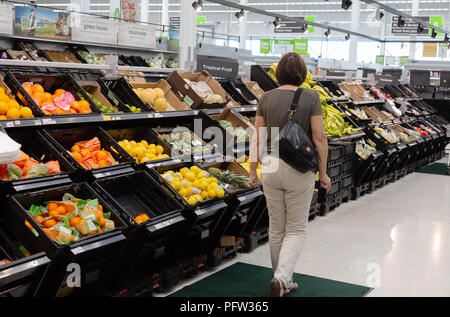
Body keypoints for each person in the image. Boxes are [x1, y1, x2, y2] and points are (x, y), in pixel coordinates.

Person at [248, 52, 331, 297]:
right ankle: (282, 278)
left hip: (270, 166)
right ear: (303, 74)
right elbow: (320, 138)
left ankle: (282, 281)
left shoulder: (266, 97)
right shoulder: (311, 97)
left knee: (276, 228)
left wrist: (253, 171)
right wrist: (323, 173)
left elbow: (258, 138)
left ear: (278, 73)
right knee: (296, 229)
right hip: (299, 168)